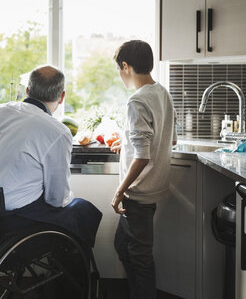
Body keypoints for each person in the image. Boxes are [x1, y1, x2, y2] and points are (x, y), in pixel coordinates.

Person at [0, 65, 102, 248]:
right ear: (61, 97)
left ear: (27, 90)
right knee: (82, 209)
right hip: (12, 219)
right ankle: (71, 273)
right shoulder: (58, 132)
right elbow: (57, 198)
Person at [110, 40, 177, 299]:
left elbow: (142, 157)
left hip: (137, 192)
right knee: (123, 245)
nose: (120, 75)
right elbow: (169, 138)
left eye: (119, 69)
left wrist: (119, 191)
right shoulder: (162, 92)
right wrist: (125, 141)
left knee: (139, 257)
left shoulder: (136, 101)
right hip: (152, 188)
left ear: (126, 66)